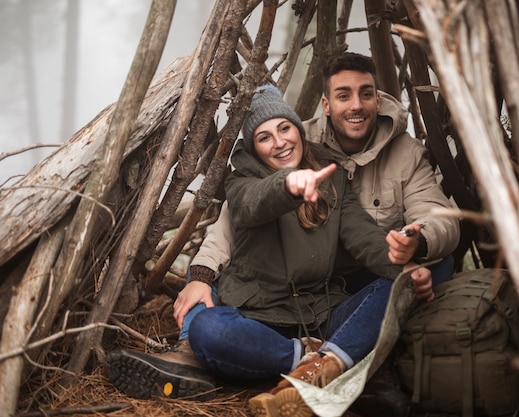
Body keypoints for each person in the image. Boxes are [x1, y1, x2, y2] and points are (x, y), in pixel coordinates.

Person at [105, 52, 460, 412]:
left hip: (323, 312)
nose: (279, 142)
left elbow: (363, 236)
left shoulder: (334, 176)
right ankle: (312, 362)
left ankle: (325, 366)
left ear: (298, 130)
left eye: (285, 129)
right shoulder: (243, 180)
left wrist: (400, 264)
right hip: (262, 319)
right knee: (209, 329)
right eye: (264, 137)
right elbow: (248, 206)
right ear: (253, 148)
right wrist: (289, 186)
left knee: (401, 282)